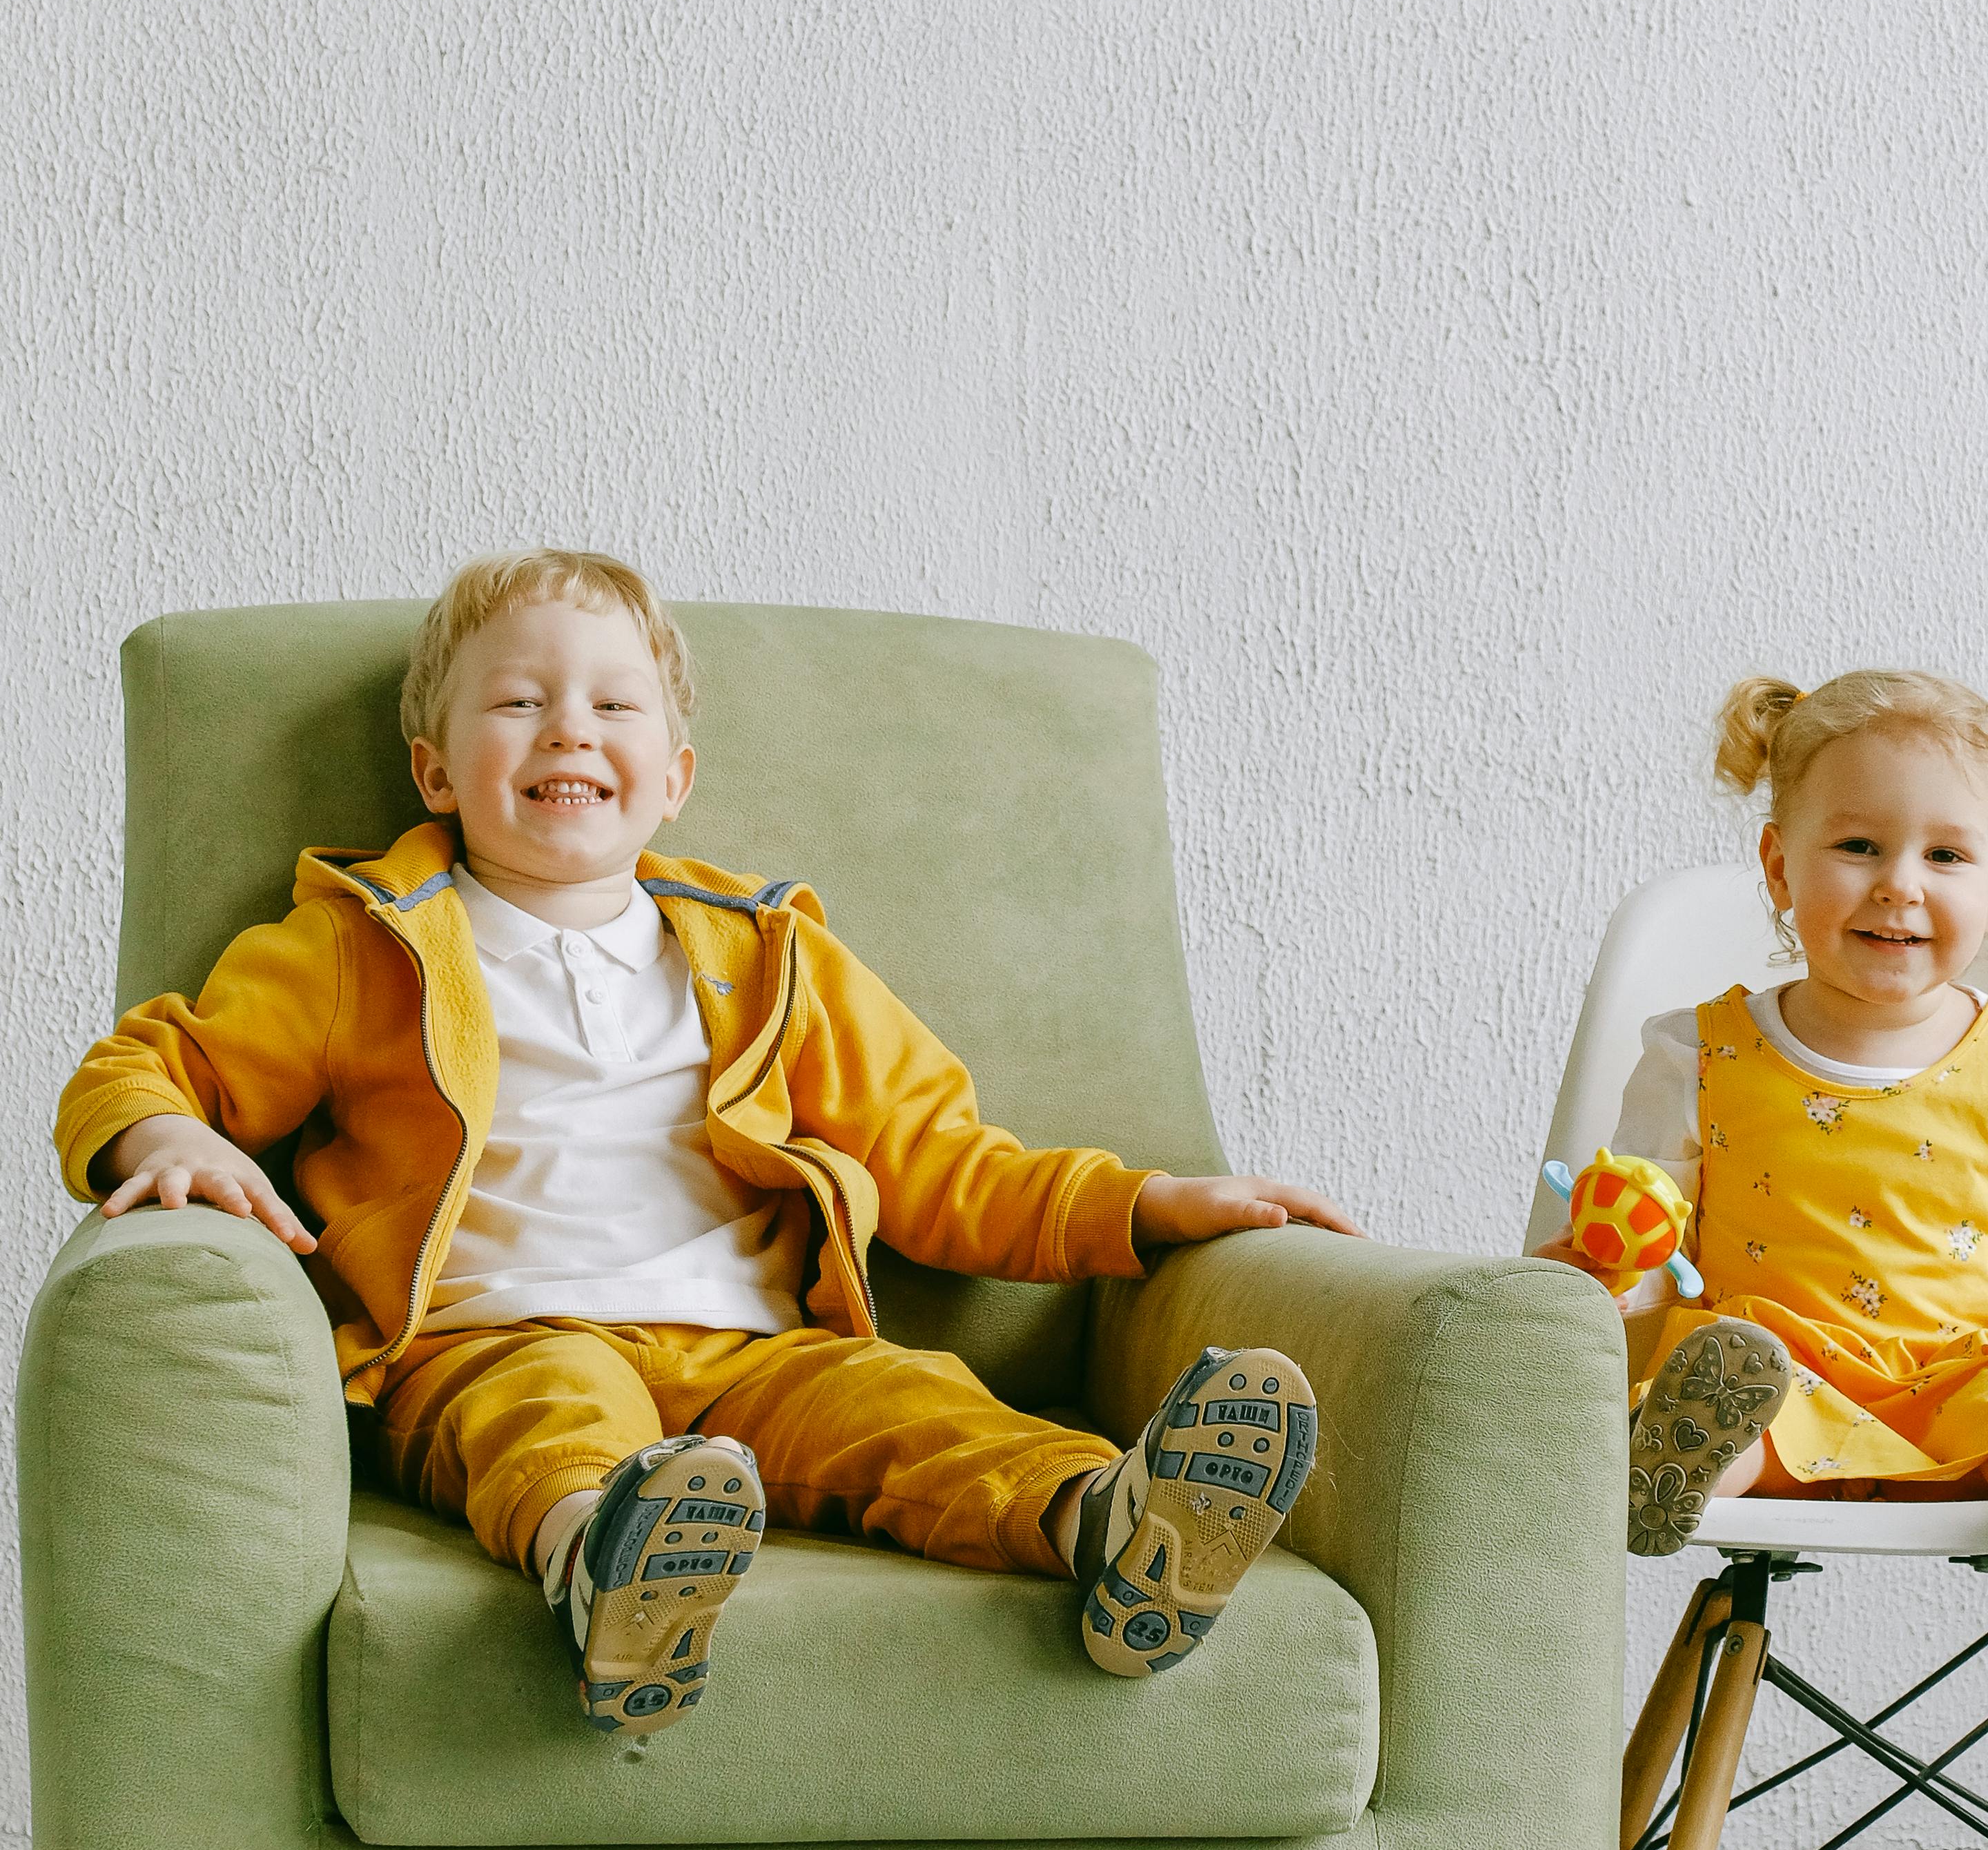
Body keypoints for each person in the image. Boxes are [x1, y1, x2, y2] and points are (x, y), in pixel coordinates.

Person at [55, 550, 1355, 1735]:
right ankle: (608, 1570)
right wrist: (167, 1133)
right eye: (519, 703)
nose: (569, 726)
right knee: (549, 1424)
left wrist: (1142, 1207)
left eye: (615, 707)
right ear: (437, 771)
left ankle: (1115, 1530)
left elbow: (936, 1154)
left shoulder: (770, 954)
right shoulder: (360, 943)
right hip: (495, 1332)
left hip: (756, 1348)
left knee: (916, 1411)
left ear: (672, 776)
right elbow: (151, 1057)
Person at [1557, 669, 1988, 1575]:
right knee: (1726, 1388)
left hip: (1962, 1373)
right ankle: (1675, 1459)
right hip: (1768, 1372)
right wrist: (1598, 1278)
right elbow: (1647, 1232)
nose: (1898, 886)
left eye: (1944, 857)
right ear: (1779, 867)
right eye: (1859, 845)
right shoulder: (1696, 1053)